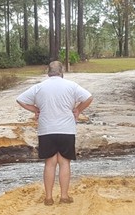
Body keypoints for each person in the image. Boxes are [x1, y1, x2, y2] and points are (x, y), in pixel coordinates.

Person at [16, 61, 93, 206]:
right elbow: (88, 97)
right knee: (64, 163)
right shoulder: (71, 85)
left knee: (50, 164)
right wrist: (78, 110)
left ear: (48, 72)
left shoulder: (39, 87)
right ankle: (64, 196)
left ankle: (49, 198)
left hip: (46, 130)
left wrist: (35, 110)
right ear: (62, 72)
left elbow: (20, 99)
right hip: (66, 129)